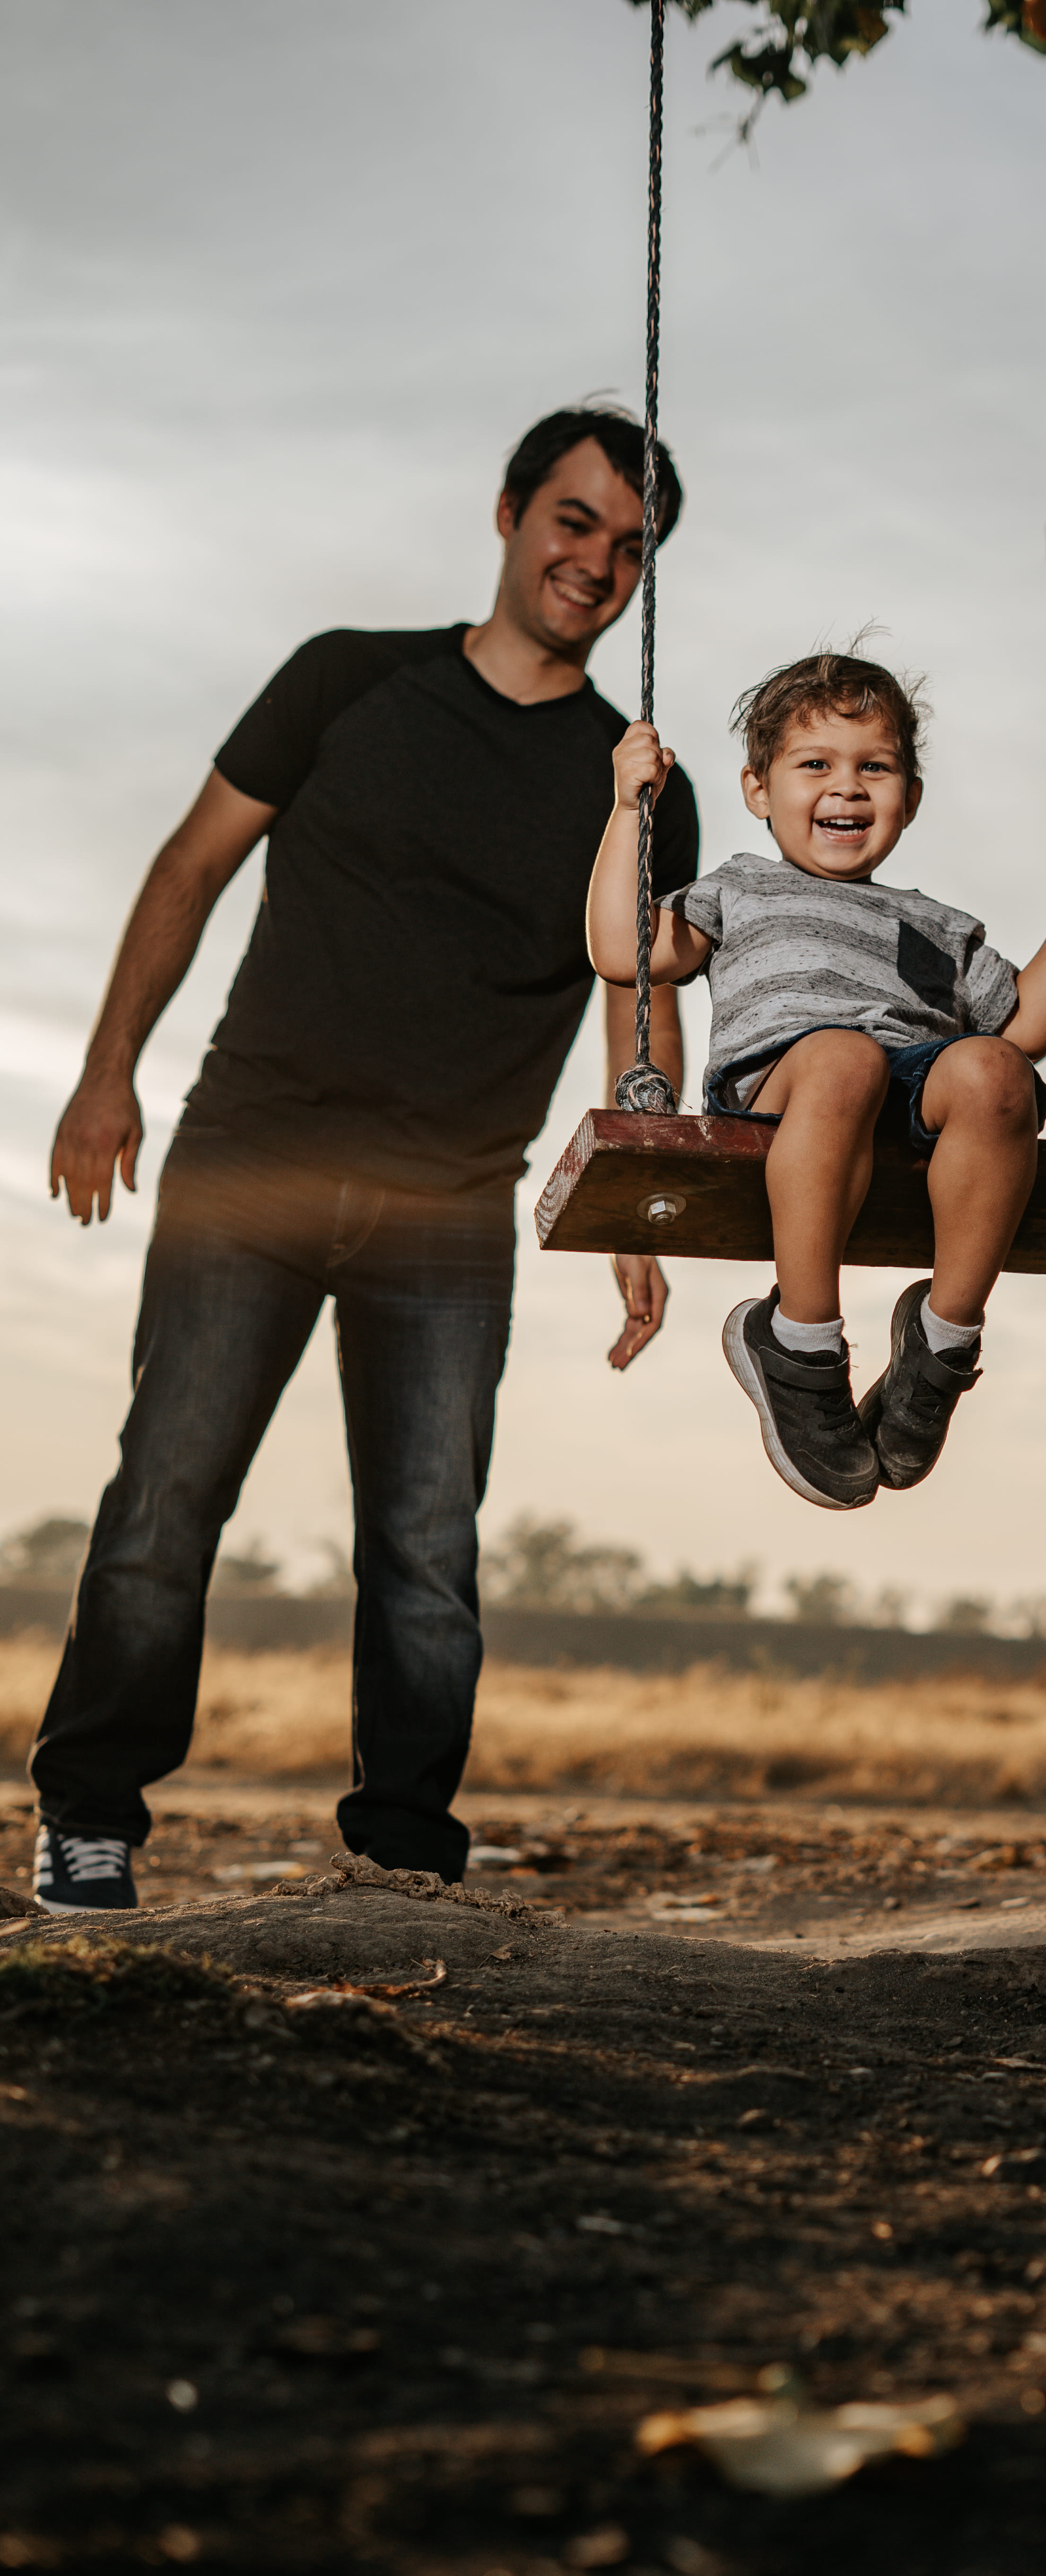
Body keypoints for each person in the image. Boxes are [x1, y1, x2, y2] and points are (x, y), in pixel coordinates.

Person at [31, 406, 699, 1914]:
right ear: (511, 512)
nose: (594, 559)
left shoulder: (633, 782)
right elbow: (192, 862)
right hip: (250, 1160)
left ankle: (400, 1859)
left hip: (450, 1205)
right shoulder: (349, 677)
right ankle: (89, 1818)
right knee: (164, 1499)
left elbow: (632, 990)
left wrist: (634, 1200)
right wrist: (104, 1072)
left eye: (629, 543)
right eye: (573, 519)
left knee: (426, 1551)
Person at [589, 649, 1046, 1509]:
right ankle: (800, 1343)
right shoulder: (740, 891)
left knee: (997, 1071)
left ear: (908, 799)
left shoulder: (934, 927)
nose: (847, 788)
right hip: (786, 1084)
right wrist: (628, 811)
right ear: (758, 790)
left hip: (907, 1091)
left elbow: (1024, 1021)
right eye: (816, 765)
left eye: (874, 767)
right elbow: (623, 952)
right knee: (846, 1057)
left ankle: (942, 1343)